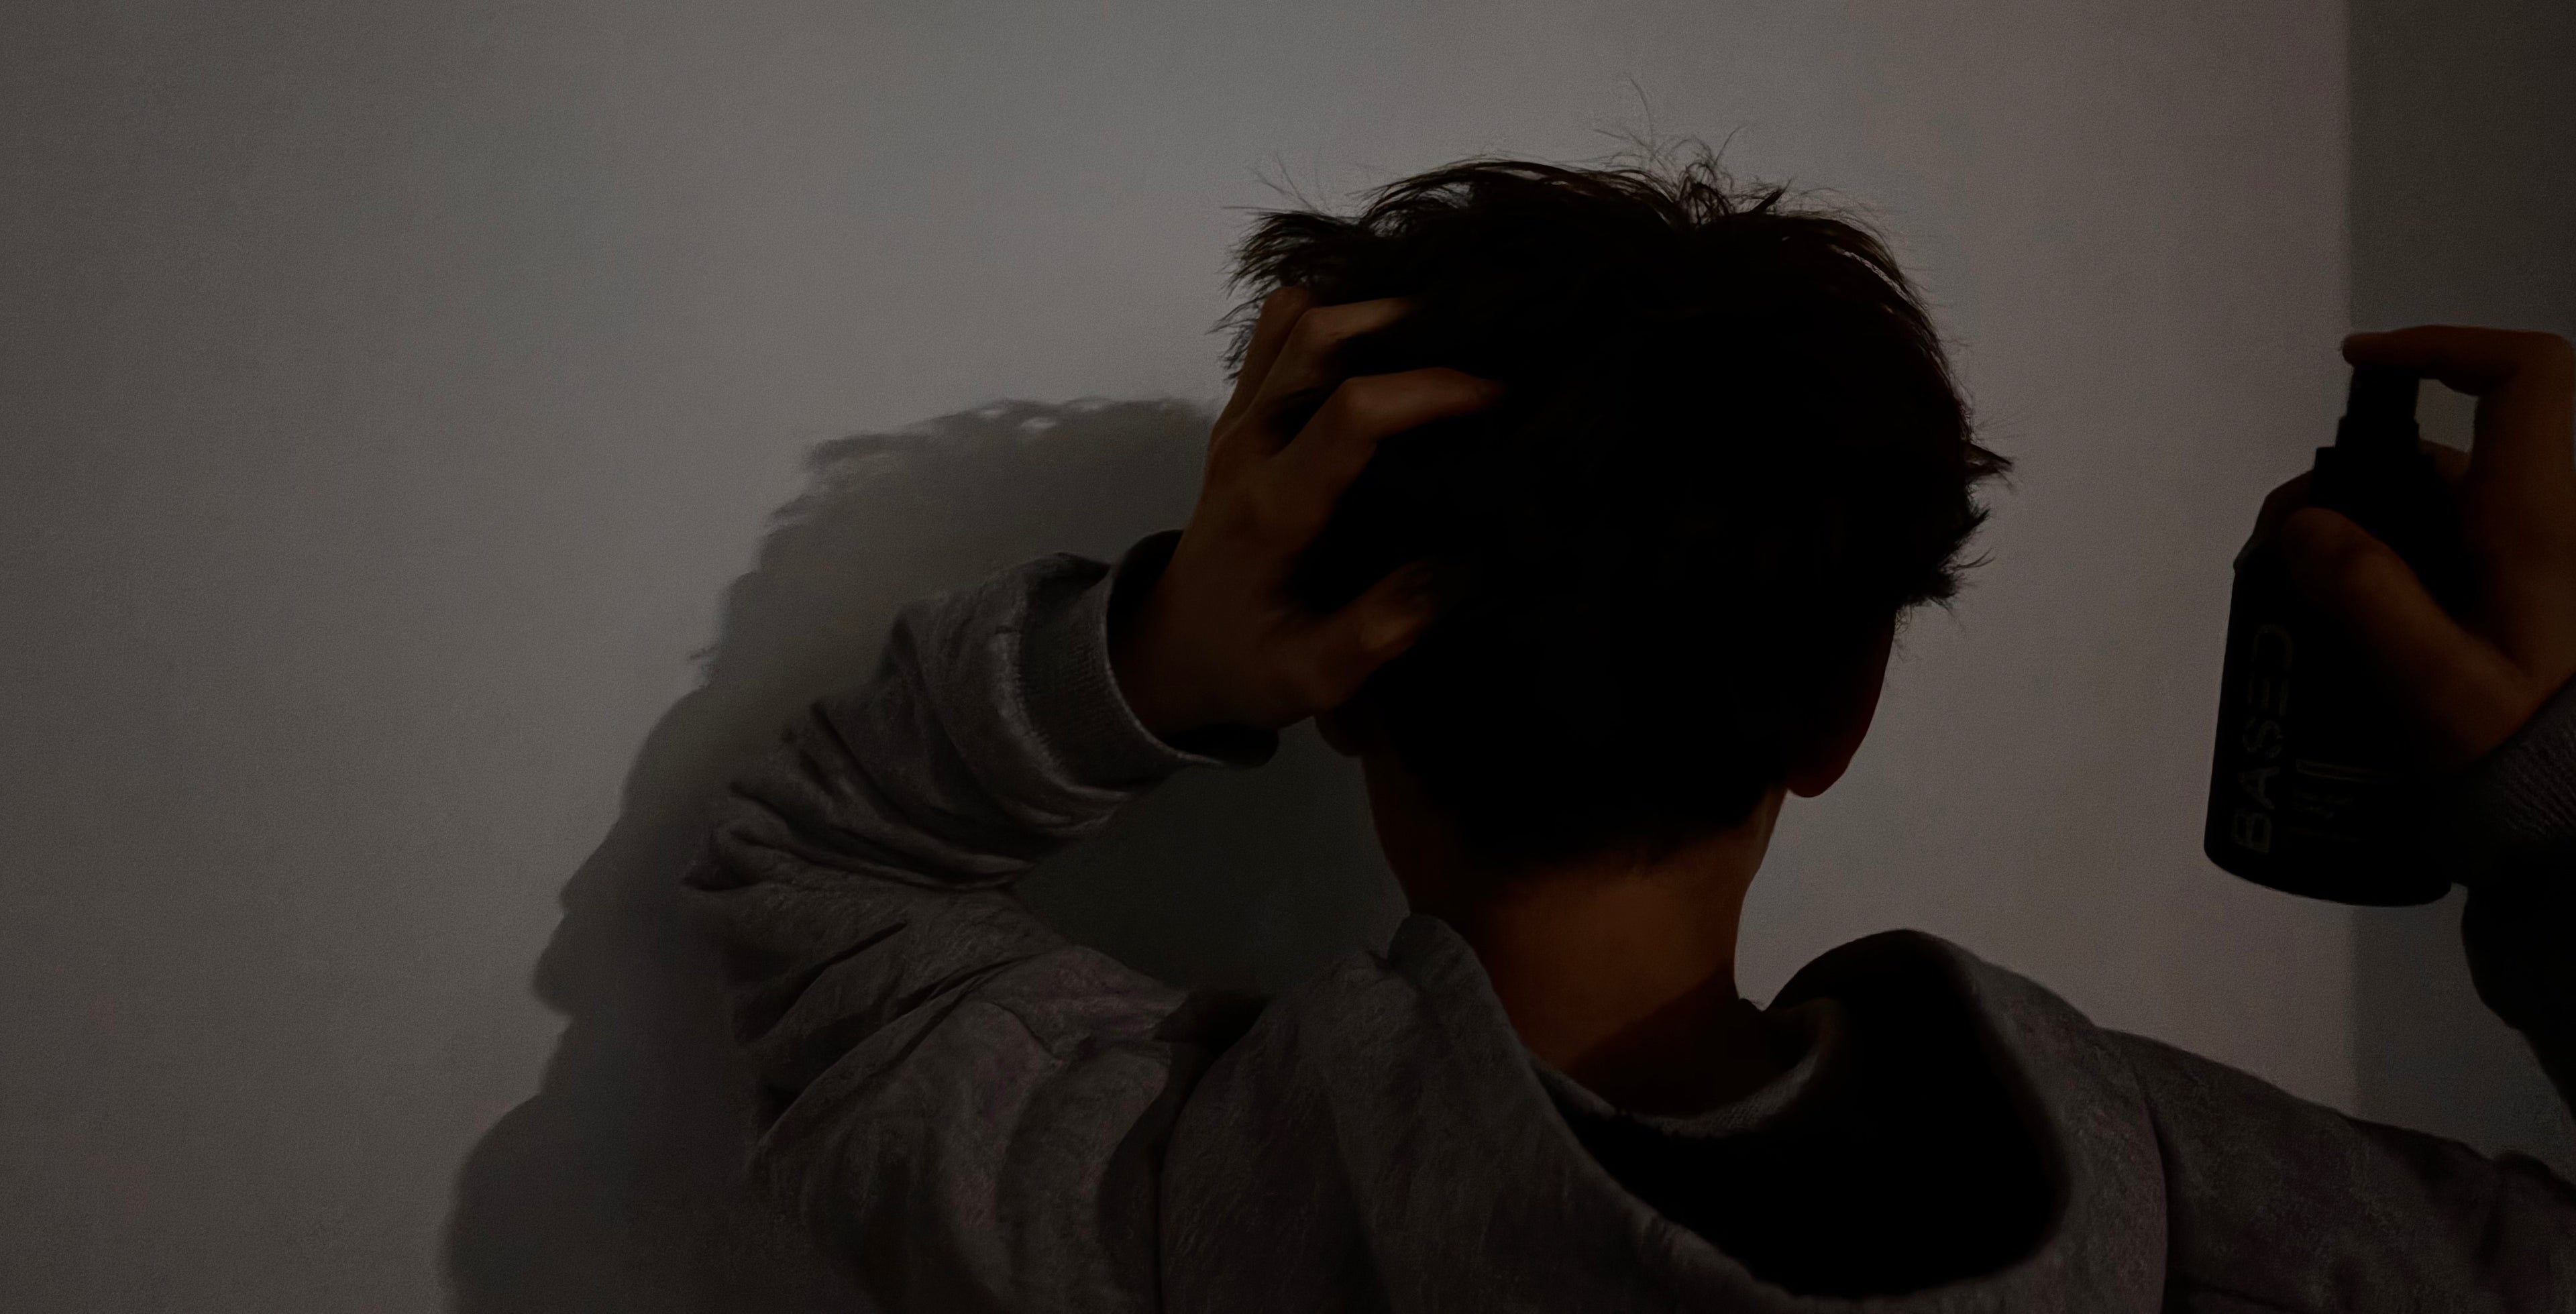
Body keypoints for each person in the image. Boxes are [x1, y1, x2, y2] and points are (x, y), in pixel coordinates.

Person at [684, 156, 2576, 1311]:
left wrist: (1171, 651)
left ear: (1339, 688)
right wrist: (2550, 791)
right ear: (1841, 708)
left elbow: (812, 872)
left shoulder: (1153, 1219)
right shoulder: (2181, 1215)